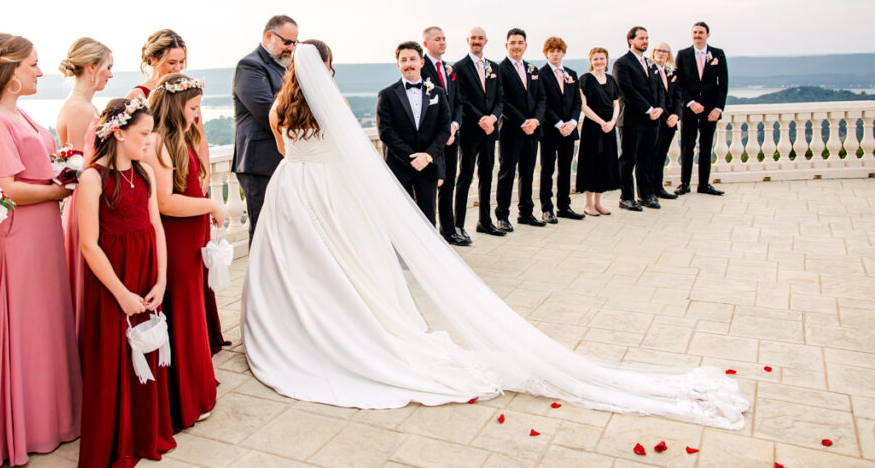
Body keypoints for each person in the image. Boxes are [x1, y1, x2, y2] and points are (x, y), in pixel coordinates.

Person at [241, 43, 748, 428]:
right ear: (324, 70)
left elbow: (286, 152)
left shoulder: (279, 108)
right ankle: (346, 322)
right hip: (332, 192)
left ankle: (303, 324)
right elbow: (350, 156)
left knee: (299, 262)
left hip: (293, 191)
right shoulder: (337, 108)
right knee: (346, 263)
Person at [0, 33, 82, 466]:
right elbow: (2, 188)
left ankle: (51, 418)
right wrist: (59, 190)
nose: (40, 71)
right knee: (24, 327)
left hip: (40, 235)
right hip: (16, 240)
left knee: (45, 324)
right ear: (11, 72)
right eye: (33, 64)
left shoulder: (21, 116)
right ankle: (22, 427)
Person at [75, 98, 176, 467]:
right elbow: (89, 244)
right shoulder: (92, 178)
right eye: (144, 134)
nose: (150, 141)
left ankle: (146, 431)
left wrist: (162, 280)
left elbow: (156, 228)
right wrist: (121, 294)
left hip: (147, 272)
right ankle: (117, 440)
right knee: (115, 357)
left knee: (149, 346)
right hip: (113, 281)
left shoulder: (145, 173)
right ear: (118, 133)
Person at [146, 73, 226, 430]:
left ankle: (197, 384)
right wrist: (210, 206)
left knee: (194, 308)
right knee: (183, 311)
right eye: (193, 107)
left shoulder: (182, 137)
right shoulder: (161, 141)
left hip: (193, 236)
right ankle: (184, 396)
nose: (197, 115)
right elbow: (165, 201)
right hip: (177, 238)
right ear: (176, 105)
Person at [56, 36, 113, 340]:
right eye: (107, 67)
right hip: (87, 197)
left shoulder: (85, 106)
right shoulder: (80, 110)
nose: (110, 74)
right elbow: (80, 166)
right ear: (91, 67)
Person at [232, 15, 298, 243]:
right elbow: (266, 112)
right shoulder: (249, 65)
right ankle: (259, 279)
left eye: (294, 43)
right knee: (263, 229)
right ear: (269, 36)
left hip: (283, 159)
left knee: (284, 230)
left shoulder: (285, 67)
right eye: (286, 42)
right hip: (258, 163)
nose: (291, 48)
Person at [376, 41, 451, 225]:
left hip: (428, 166)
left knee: (428, 218)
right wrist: (411, 157)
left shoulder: (438, 94)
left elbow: (444, 129)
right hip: (399, 166)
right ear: (398, 64)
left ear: (422, 62)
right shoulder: (386, 95)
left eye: (412, 59)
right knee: (401, 219)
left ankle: (430, 253)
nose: (408, 64)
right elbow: (385, 132)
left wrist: (427, 156)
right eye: (404, 60)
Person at [453, 27, 504, 236]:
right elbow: (461, 99)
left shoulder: (494, 67)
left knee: (487, 176)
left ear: (486, 41)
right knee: (465, 177)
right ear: (467, 41)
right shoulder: (459, 67)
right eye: (473, 38)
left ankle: (485, 221)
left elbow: (500, 97)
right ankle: (459, 224)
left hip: (490, 131)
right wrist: (480, 119)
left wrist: (492, 118)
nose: (477, 41)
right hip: (469, 132)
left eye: (480, 38)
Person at [420, 26, 467, 245]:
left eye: (444, 39)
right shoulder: (421, 68)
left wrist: (454, 126)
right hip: (432, 140)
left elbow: (458, 101)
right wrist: (442, 131)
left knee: (448, 183)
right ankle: (427, 234)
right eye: (437, 39)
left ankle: (448, 230)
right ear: (426, 43)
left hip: (451, 136)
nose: (443, 42)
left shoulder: (450, 69)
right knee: (430, 186)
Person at [495, 28, 546, 231]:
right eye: (513, 42)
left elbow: (541, 98)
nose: (516, 46)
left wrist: (535, 121)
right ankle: (502, 215)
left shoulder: (533, 69)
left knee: (527, 172)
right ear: (507, 45)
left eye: (520, 42)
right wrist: (522, 121)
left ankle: (526, 212)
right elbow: (502, 100)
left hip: (532, 130)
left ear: (526, 45)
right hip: (511, 129)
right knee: (507, 173)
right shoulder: (500, 69)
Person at [612, 27, 664, 212]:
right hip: (632, 119)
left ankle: (646, 195)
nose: (645, 41)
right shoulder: (621, 64)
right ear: (630, 40)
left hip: (652, 120)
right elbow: (627, 90)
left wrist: (660, 108)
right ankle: (626, 197)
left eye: (647, 38)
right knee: (628, 159)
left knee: (647, 159)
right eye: (641, 38)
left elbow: (659, 89)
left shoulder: (650, 63)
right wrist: (648, 109)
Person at [674, 22, 728, 195]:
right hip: (689, 109)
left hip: (710, 110)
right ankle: (684, 184)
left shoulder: (718, 54)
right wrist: (690, 102)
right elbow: (678, 83)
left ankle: (704, 185)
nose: (697, 35)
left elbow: (723, 84)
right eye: (695, 32)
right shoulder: (683, 54)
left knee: (706, 146)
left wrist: (718, 108)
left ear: (708, 35)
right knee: (687, 146)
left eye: (701, 32)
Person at [539, 37, 584, 223]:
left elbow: (577, 102)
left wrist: (572, 122)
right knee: (547, 169)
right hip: (550, 129)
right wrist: (559, 124)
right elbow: (543, 103)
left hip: (569, 129)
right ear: (546, 53)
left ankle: (564, 206)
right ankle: (546, 209)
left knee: (565, 169)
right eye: (551, 51)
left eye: (558, 50)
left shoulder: (572, 74)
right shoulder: (541, 74)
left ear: (563, 52)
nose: (555, 54)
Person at [575, 47, 620, 216]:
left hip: (609, 127)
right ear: (591, 61)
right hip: (593, 127)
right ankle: (588, 204)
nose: (599, 62)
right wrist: (602, 122)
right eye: (596, 59)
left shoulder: (610, 79)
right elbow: (583, 106)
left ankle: (598, 203)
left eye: (602, 58)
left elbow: (616, 103)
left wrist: (613, 122)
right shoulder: (585, 79)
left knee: (604, 164)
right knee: (591, 163)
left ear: (607, 60)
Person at [650, 43, 680, 200]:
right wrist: (666, 116)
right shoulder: (649, 71)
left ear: (669, 54)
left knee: (662, 155)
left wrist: (676, 115)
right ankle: (650, 190)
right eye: (658, 50)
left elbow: (677, 96)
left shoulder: (672, 72)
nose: (661, 53)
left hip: (671, 121)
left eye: (665, 51)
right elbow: (654, 98)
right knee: (652, 156)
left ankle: (659, 187)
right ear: (653, 53)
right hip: (657, 120)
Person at [127, 29, 187, 100]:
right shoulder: (138, 95)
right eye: (171, 62)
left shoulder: (186, 90)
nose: (178, 68)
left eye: (181, 62)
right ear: (153, 60)